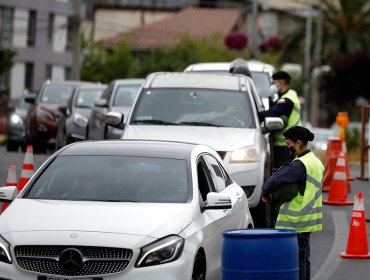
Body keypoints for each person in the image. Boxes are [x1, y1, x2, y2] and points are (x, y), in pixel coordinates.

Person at [261, 126, 324, 280]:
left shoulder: (300, 165)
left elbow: (276, 178)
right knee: (303, 258)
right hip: (307, 219)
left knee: (296, 261)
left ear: (298, 142)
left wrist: (265, 192)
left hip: (296, 220)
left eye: (288, 144)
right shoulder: (315, 162)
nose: (287, 147)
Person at [258, 71, 302, 169]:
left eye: (274, 83)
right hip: (287, 144)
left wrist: (255, 116)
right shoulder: (289, 95)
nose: (272, 86)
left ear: (280, 82)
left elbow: (272, 113)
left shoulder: (287, 100)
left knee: (282, 173)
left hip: (285, 145)